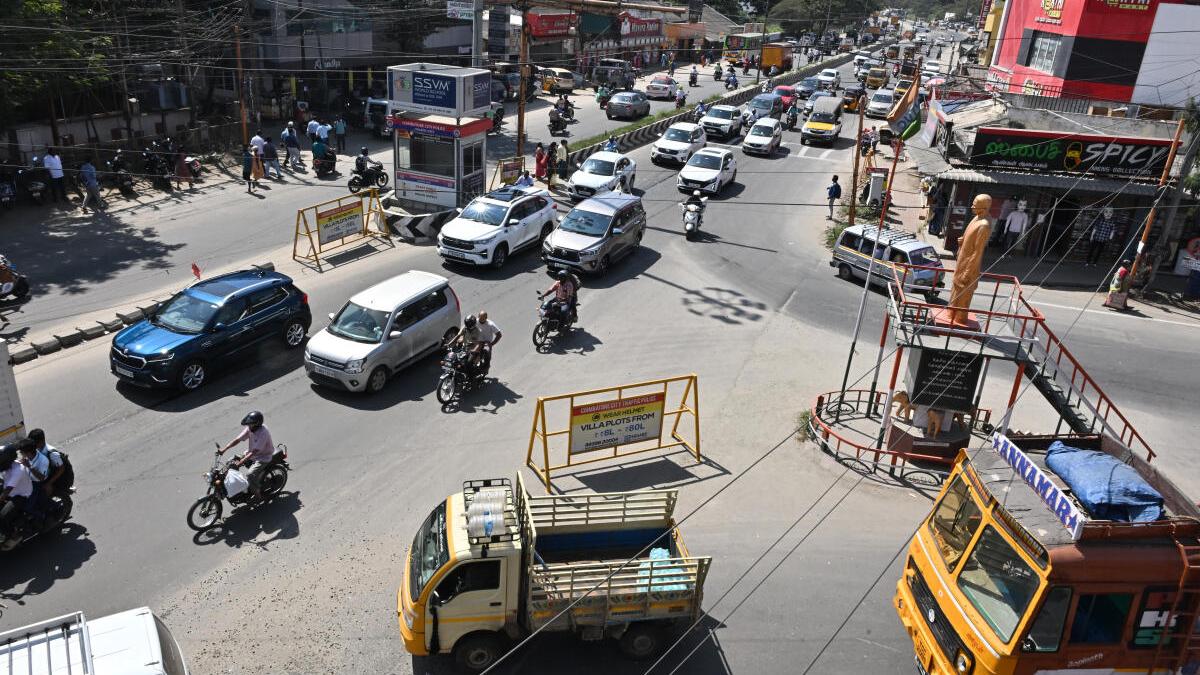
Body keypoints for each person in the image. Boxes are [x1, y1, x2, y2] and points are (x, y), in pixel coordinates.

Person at [218, 411, 275, 501]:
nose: (249, 426)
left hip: (263, 457)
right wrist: (225, 449)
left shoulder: (263, 432)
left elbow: (255, 452)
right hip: (251, 454)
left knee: (250, 475)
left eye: (251, 424)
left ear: (257, 424)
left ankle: (258, 496)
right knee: (231, 461)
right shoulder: (250, 428)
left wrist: (240, 462)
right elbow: (238, 439)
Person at [26, 429, 72, 502]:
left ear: (41, 441)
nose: (32, 446)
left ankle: (48, 505)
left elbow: (61, 469)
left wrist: (49, 483)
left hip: (59, 477)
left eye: (34, 444)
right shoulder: (39, 449)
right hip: (47, 471)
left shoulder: (52, 453)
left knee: (44, 490)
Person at [0, 445, 33, 542]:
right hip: (10, 491)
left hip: (21, 496)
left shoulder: (18, 470)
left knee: (2, 516)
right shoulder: (6, 467)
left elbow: (5, 493)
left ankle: (11, 535)